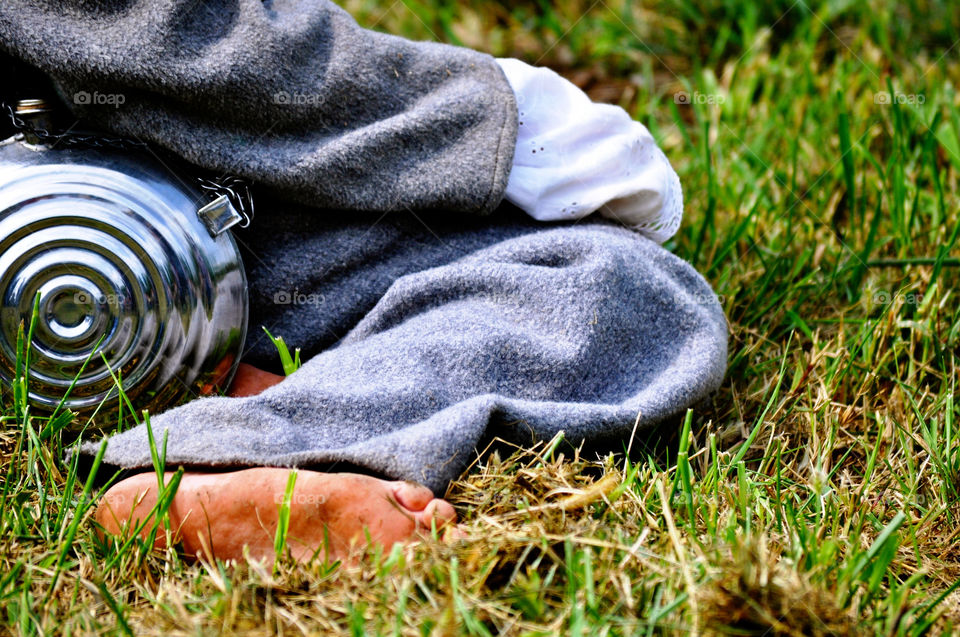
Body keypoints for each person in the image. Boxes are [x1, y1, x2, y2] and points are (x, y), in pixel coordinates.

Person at [0, 0, 728, 563]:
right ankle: (255, 437)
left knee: (606, 285)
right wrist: (486, 122)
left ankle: (221, 449)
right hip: (88, 216)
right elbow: (144, 34)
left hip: (151, 242)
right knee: (612, 287)